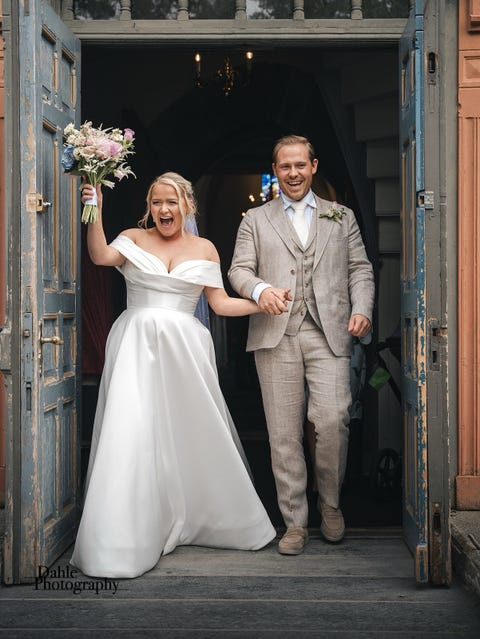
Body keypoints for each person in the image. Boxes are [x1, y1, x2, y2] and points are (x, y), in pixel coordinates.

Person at [71, 172, 279, 578]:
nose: (163, 209)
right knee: (132, 430)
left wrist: (262, 303)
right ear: (149, 207)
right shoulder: (133, 238)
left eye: (171, 202)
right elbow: (99, 256)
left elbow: (220, 304)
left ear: (187, 206)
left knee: (189, 429)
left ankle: (195, 514)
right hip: (135, 346)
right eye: (156, 202)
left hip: (185, 351)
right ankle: (124, 536)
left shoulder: (205, 249)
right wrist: (94, 207)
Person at [228, 135, 374, 555]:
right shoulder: (256, 219)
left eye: (299, 165)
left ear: (313, 166)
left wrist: (362, 308)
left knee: (332, 420)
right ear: (276, 170)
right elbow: (238, 270)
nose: (292, 173)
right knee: (283, 432)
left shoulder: (340, 216)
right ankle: (294, 521)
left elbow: (360, 269)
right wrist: (260, 291)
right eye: (284, 166)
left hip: (329, 332)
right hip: (275, 333)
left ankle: (330, 503)